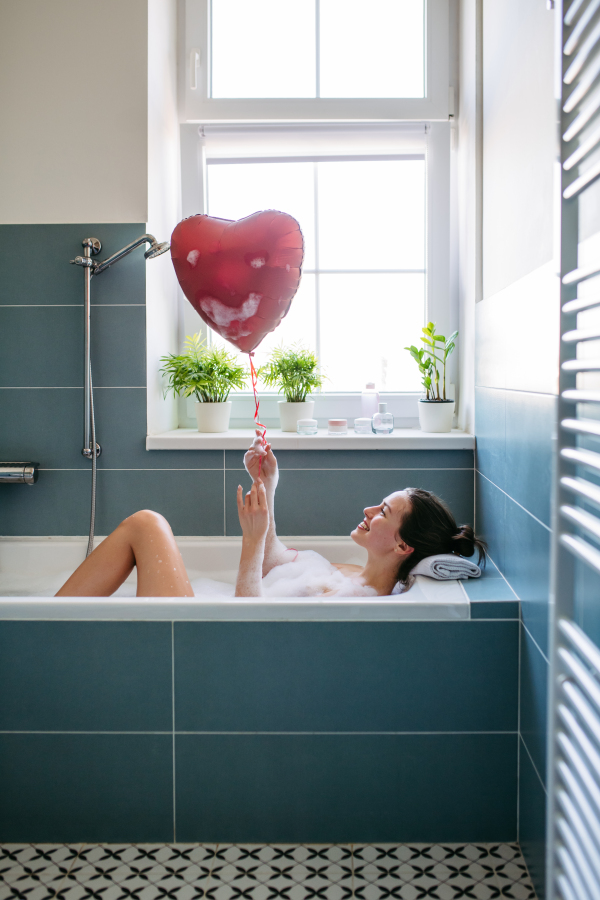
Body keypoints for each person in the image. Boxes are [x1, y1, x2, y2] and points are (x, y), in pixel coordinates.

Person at [56, 431, 486, 599]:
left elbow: (249, 624)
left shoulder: (353, 601)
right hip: (212, 620)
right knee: (145, 524)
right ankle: (50, 622)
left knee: (147, 524)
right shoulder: (352, 573)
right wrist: (268, 486)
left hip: (205, 641)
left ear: (402, 545)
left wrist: (250, 538)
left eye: (383, 512)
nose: (368, 510)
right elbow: (275, 562)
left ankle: (45, 626)